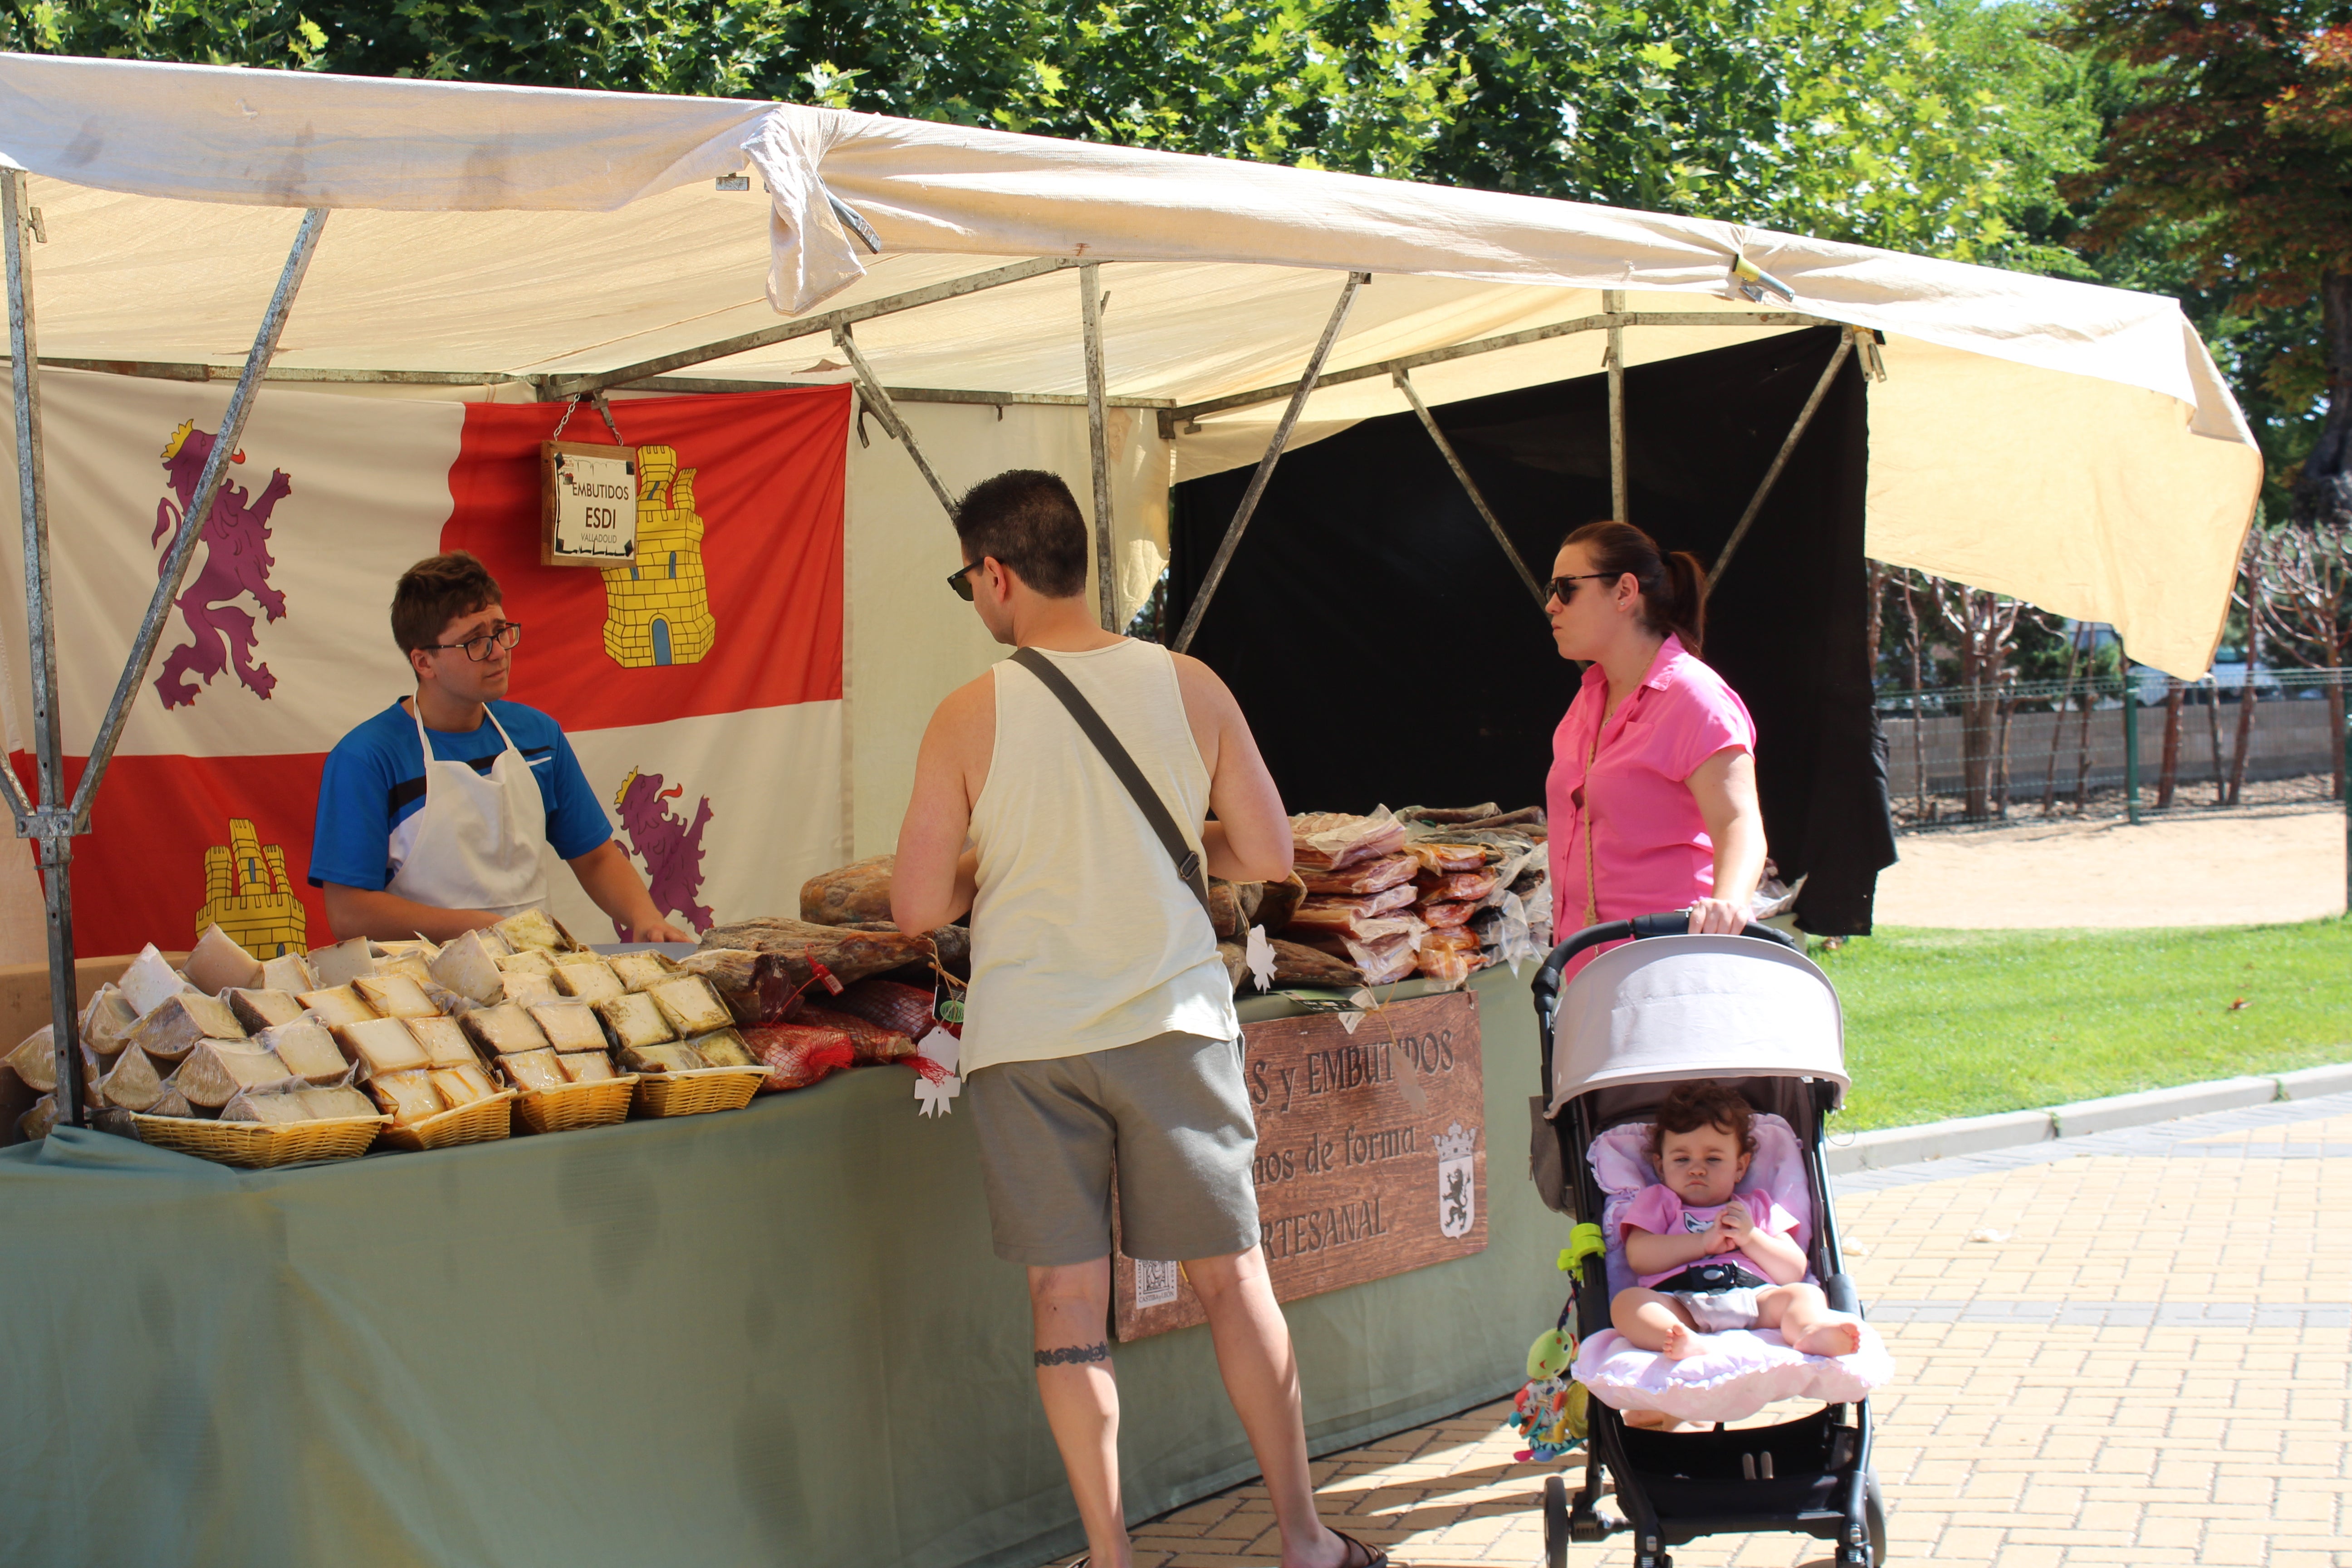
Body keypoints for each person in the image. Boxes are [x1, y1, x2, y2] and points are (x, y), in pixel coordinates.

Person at [893, 471, 1382, 1568]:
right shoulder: (1190, 683)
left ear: (996, 573)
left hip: (1028, 1040)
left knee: (1068, 1301)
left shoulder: (968, 712)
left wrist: (1005, 859)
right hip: (1172, 1022)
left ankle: (1110, 1555)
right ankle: (1303, 1537)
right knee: (1232, 1276)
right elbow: (1268, 855)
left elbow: (917, 906)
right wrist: (1167, 844)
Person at [309, 550, 695, 945]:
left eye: (500, 631)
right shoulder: (368, 759)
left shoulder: (538, 737)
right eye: (474, 641)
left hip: (538, 975)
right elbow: (349, 913)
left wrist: (645, 918)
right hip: (420, 990)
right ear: (424, 662)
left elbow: (596, 858)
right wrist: (481, 929)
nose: (497, 652)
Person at [1544, 519, 1767, 968]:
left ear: (1625, 592)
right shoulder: (1588, 699)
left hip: (1671, 967)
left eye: (1566, 588)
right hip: (1589, 968)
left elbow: (1739, 823)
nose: (1551, 605)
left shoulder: (1695, 697)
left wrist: (1728, 905)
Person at [1610, 1082, 1862, 1361]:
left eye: (1714, 1159)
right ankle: (1679, 1337)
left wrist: (1751, 1237)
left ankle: (1810, 1330)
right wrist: (1703, 1243)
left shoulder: (1757, 1206)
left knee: (1804, 1294)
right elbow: (1639, 1257)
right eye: (1682, 1159)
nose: (1697, 1168)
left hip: (1754, 1295)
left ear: (1740, 1167)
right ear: (1660, 1167)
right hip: (1678, 1298)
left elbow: (1792, 1269)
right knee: (1627, 1303)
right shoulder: (1658, 1202)